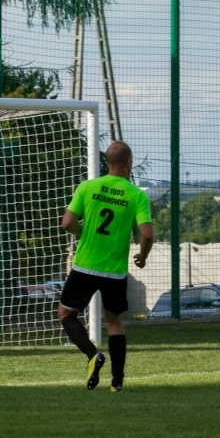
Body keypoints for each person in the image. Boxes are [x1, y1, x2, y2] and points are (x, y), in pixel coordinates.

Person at [58, 141, 154, 392]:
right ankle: (117, 383)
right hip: (114, 270)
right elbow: (147, 234)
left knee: (66, 315)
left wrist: (84, 232)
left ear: (107, 162)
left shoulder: (87, 187)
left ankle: (92, 355)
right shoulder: (137, 195)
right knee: (115, 324)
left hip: (85, 265)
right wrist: (142, 257)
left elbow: (67, 223)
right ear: (129, 162)